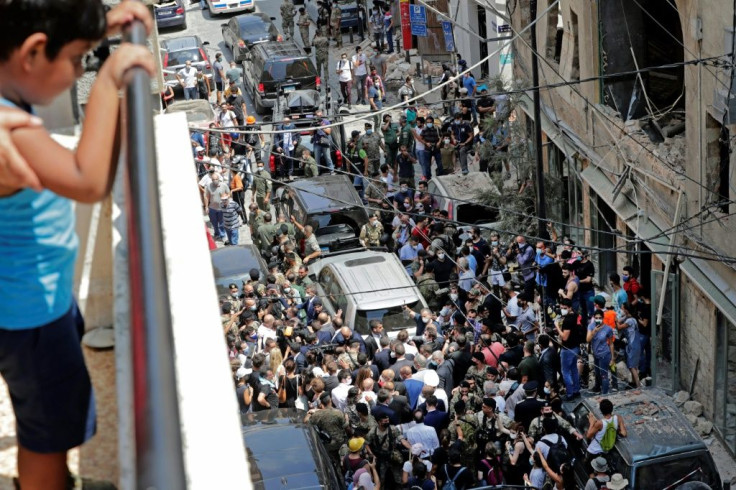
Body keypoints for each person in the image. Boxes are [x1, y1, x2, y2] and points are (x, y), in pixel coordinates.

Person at [0, 3, 154, 488]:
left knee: (49, 421)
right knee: (46, 436)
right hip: (31, 312)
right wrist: (109, 80)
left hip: (35, 299)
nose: (80, 71)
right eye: (79, 59)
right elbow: (88, 181)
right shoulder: (13, 129)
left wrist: (87, 28)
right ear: (33, 51)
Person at [586, 398, 627, 468]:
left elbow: (588, 436)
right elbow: (624, 433)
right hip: (606, 451)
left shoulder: (600, 423)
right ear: (612, 408)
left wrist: (591, 423)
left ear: (601, 411)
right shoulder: (618, 418)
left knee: (589, 468)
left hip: (594, 451)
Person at [587, 309, 614, 394]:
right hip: (596, 355)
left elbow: (611, 344)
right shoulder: (591, 326)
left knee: (604, 375)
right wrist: (594, 332)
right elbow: (587, 339)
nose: (598, 319)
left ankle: (604, 394)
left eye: (600, 317)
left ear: (603, 318)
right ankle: (598, 388)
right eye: (596, 318)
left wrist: (612, 358)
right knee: (598, 374)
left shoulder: (608, 329)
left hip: (604, 355)